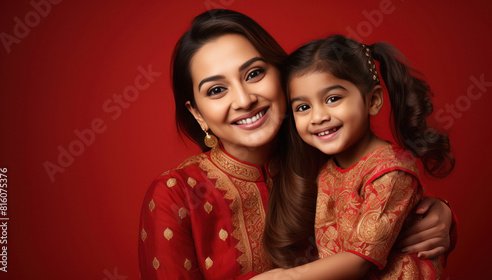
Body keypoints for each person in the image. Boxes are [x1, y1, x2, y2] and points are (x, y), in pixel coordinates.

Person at [138, 10, 456, 279]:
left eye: (254, 74)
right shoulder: (176, 195)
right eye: (217, 90)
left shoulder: (325, 157)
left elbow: (386, 204)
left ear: (284, 77)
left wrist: (438, 216)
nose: (245, 99)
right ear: (197, 114)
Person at [257, 35, 455, 279]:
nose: (318, 117)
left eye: (333, 99)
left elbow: (361, 260)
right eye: (303, 107)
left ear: (372, 101)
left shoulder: (390, 172)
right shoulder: (326, 168)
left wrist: (284, 277)